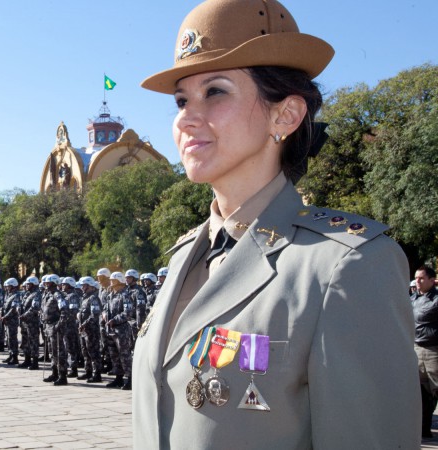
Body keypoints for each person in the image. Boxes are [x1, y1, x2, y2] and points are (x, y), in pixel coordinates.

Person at [131, 0, 419, 448]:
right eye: (182, 100)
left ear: (285, 114)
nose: (186, 118)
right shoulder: (188, 255)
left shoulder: (345, 266)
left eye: (216, 91)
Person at [413, 266, 438, 438]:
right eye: (416, 278)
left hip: (433, 350)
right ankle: (424, 429)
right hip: (415, 349)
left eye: (421, 278)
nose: (417, 281)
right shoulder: (412, 298)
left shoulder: (436, 299)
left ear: (432, 280)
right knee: (421, 393)